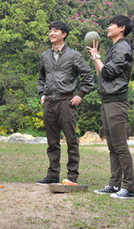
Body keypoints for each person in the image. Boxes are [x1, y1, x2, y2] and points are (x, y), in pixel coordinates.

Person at [36, 21, 94, 185]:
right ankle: (52, 175)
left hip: (66, 103)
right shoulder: (45, 56)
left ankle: (72, 176)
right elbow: (41, 78)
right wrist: (42, 93)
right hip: (49, 104)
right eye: (50, 31)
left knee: (71, 141)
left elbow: (88, 77)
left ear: (64, 34)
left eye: (56, 31)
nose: (51, 33)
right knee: (52, 142)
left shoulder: (74, 55)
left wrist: (80, 95)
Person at [87, 15, 134, 199]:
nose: (108, 28)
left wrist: (98, 56)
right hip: (108, 101)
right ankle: (114, 185)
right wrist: (95, 58)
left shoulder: (122, 49)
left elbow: (107, 72)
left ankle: (128, 188)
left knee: (120, 145)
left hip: (116, 102)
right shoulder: (115, 48)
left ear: (121, 28)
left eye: (112, 25)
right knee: (112, 146)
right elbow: (102, 73)